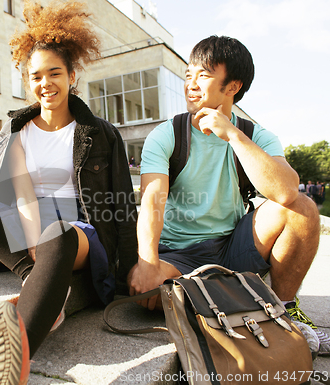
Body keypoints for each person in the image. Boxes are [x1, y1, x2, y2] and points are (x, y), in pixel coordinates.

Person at [0, 1, 138, 383]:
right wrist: (31, 242)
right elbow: (20, 194)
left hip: (77, 229)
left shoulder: (99, 133)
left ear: (72, 75)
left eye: (54, 73)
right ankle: (33, 275)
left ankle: (12, 357)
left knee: (56, 237)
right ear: (28, 80)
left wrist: (130, 269)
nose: (45, 83)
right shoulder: (16, 130)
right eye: (36, 76)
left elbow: (124, 206)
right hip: (25, 222)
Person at [129, 35, 328, 357]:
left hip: (233, 244)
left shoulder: (255, 136)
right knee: (149, 298)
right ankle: (230, 293)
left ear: (232, 86)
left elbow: (287, 192)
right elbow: (152, 199)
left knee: (302, 208)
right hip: (179, 253)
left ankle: (285, 310)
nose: (191, 84)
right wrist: (147, 261)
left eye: (203, 76)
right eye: (188, 75)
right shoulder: (166, 134)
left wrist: (233, 135)